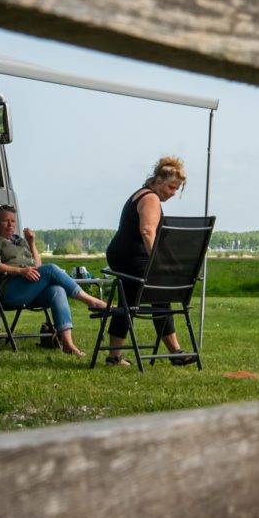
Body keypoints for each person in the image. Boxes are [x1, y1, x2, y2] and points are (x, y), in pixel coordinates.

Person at [0, 204, 105, 357]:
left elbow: (37, 266)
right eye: (5, 221)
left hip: (28, 290)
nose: (10, 225)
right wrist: (20, 271)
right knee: (52, 269)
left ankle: (67, 343)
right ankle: (92, 302)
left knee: (57, 291)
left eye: (13, 221)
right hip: (6, 289)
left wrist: (31, 242)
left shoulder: (18, 242)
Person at [102, 155, 189, 367]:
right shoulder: (150, 198)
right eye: (171, 187)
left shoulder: (143, 194)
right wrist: (157, 264)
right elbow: (147, 231)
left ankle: (114, 356)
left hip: (123, 256)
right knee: (160, 291)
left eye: (176, 189)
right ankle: (175, 351)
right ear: (158, 181)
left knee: (128, 300)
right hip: (132, 257)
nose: (172, 193)